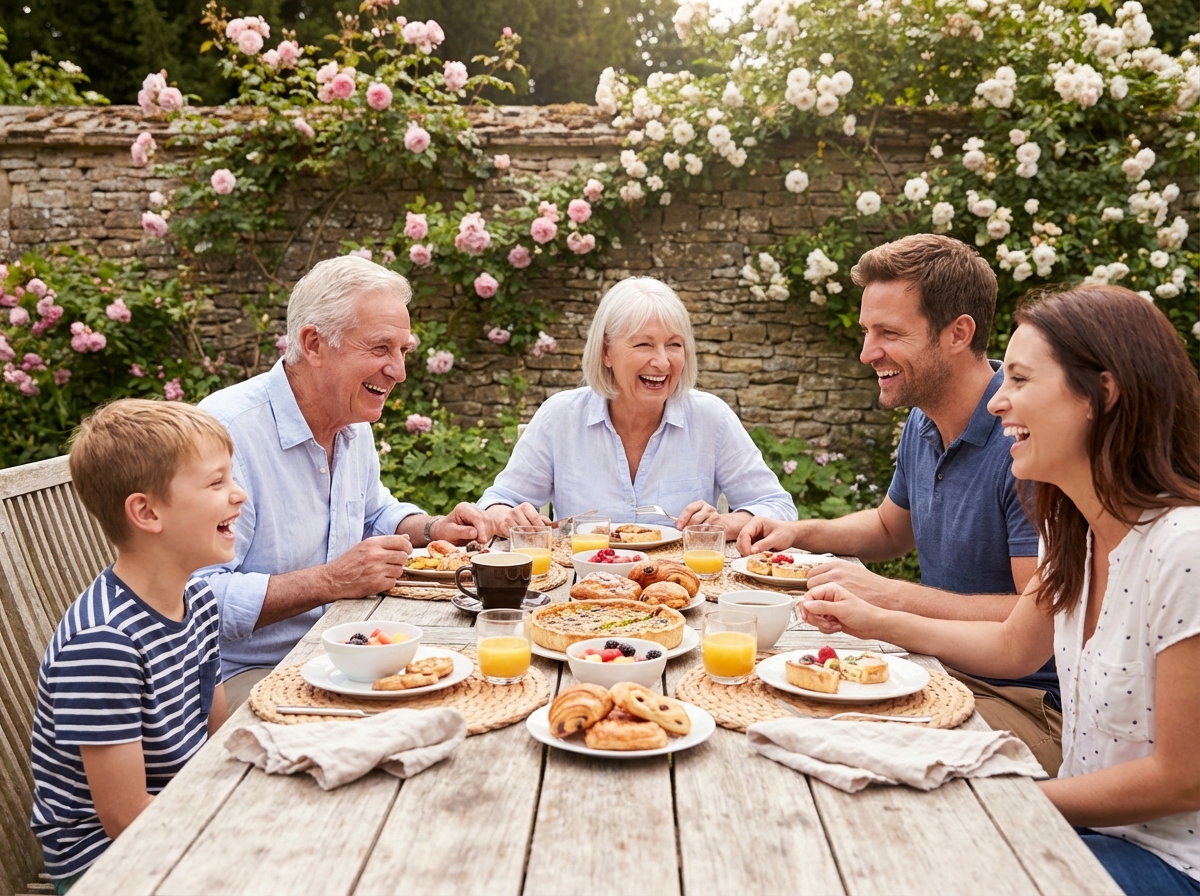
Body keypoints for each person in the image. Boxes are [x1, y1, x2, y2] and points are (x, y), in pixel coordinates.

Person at [799, 285, 1200, 896]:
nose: (998, 401)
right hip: (1084, 830)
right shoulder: (1076, 532)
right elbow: (1013, 649)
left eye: (1018, 380)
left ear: (1102, 394)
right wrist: (868, 618)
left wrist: (1003, 801)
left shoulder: (1183, 548)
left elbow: (1183, 778)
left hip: (1169, 861)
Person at [737, 234, 1061, 772]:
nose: (867, 353)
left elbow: (1031, 617)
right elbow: (890, 529)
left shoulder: (1023, 441)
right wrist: (797, 532)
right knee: (780, 710)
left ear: (958, 333)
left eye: (888, 333)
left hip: (1026, 703)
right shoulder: (924, 419)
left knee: (830, 746)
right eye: (868, 332)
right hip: (936, 671)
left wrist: (889, 598)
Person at [198, 256, 493, 708]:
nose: (399, 371)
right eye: (380, 349)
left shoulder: (351, 423)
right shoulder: (225, 432)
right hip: (240, 677)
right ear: (314, 344)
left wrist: (433, 529)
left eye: (403, 351)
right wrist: (331, 581)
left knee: (470, 690)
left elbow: (374, 513)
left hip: (344, 655)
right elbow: (196, 598)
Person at [29, 400, 244, 894]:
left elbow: (220, 742)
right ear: (146, 512)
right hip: (107, 865)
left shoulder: (198, 598)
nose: (239, 495)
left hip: (180, 816)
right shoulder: (103, 644)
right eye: (217, 483)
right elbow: (125, 819)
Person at [477, 277, 796, 540]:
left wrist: (723, 525)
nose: (662, 361)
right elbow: (495, 504)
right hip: (580, 594)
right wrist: (509, 517)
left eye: (674, 344)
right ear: (605, 353)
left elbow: (777, 507)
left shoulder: (711, 417)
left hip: (679, 592)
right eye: (644, 344)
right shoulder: (559, 416)